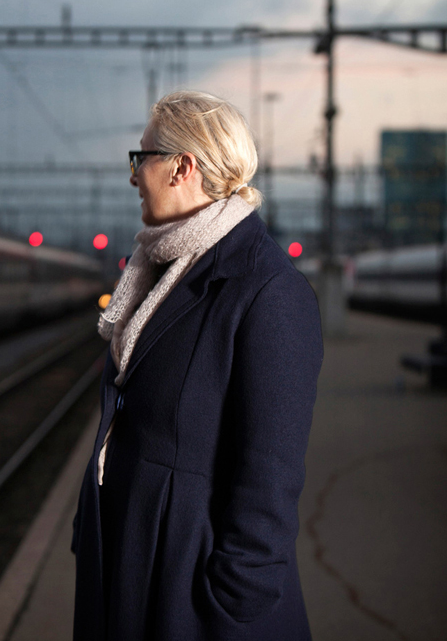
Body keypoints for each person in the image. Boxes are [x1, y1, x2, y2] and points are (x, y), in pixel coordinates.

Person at [72, 90, 323, 641]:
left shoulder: (269, 291)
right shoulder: (162, 269)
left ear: (183, 166)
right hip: (135, 564)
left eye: (142, 159)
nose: (133, 177)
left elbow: (271, 475)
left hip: (191, 595)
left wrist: (231, 597)